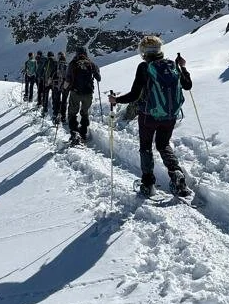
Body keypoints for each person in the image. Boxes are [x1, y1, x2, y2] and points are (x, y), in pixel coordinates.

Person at [108, 35, 193, 198]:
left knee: (146, 147)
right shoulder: (171, 65)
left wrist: (116, 100)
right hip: (170, 116)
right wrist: (183, 67)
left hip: (148, 116)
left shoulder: (144, 67)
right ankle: (176, 174)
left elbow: (134, 95)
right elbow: (188, 85)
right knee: (163, 145)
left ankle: (148, 184)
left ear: (144, 51)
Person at [64, 49, 101, 145]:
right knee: (85, 113)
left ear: (77, 54)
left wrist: (65, 89)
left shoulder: (73, 64)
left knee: (72, 112)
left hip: (75, 93)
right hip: (88, 93)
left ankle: (74, 134)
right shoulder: (91, 64)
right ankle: (83, 133)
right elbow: (99, 78)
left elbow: (68, 79)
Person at [49, 48, 69, 122]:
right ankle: (63, 116)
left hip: (56, 85)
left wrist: (50, 81)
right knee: (64, 100)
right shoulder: (67, 65)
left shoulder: (56, 65)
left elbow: (52, 74)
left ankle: (55, 114)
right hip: (65, 86)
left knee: (56, 99)